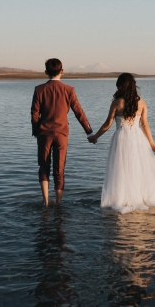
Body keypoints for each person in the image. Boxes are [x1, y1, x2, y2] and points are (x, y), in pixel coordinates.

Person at [88, 73, 155, 214]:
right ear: (134, 86)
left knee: (122, 170)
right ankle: (140, 197)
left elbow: (108, 124)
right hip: (138, 139)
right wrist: (152, 145)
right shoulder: (141, 103)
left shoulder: (116, 103)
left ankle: (125, 198)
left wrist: (95, 137)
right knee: (138, 169)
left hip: (121, 138)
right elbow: (145, 125)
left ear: (120, 86)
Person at [31, 58, 93, 206]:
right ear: (62, 71)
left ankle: (46, 202)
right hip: (62, 134)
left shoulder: (39, 89)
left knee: (44, 168)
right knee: (59, 171)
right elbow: (79, 112)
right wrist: (89, 132)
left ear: (46, 72)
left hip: (44, 134)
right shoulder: (69, 90)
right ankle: (58, 204)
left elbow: (34, 114)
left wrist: (36, 131)